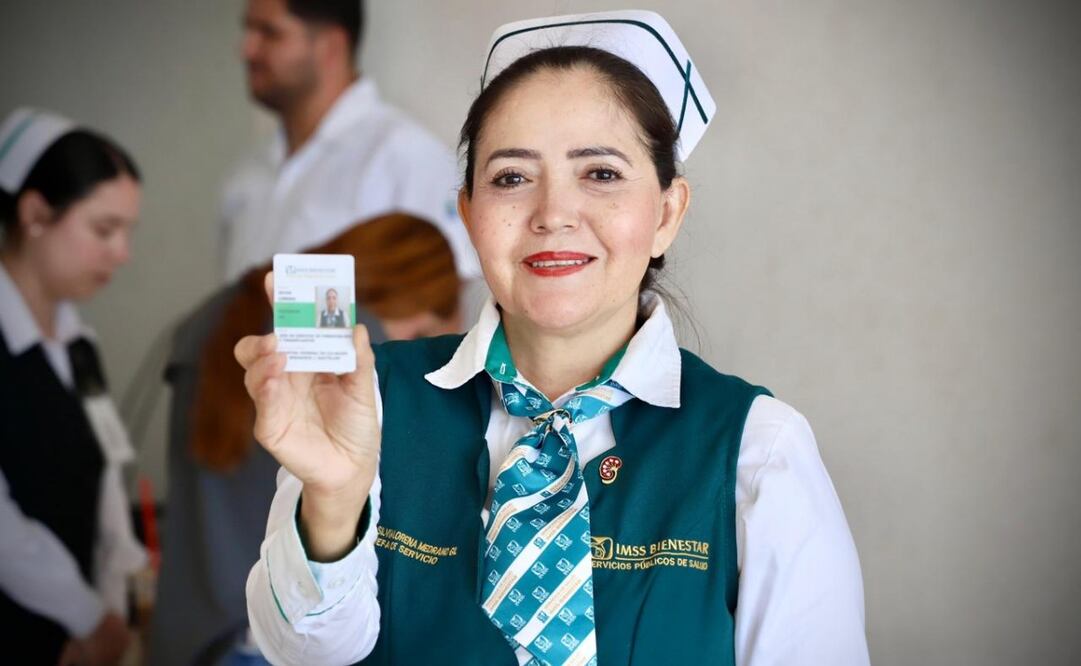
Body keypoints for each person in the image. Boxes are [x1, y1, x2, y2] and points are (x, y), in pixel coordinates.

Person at [236, 10, 870, 666]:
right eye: (511, 178)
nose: (552, 215)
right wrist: (335, 499)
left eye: (600, 174)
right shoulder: (371, 399)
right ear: (467, 215)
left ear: (667, 213)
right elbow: (302, 654)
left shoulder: (758, 452)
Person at [148, 212, 460, 666]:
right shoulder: (347, 343)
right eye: (420, 334)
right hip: (279, 631)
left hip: (194, 630)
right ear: (404, 295)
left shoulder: (213, 314)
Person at [0, 108, 146, 665]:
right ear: (36, 213)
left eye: (128, 232)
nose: (122, 254)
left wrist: (119, 593)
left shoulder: (80, 344)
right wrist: (85, 614)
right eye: (104, 230)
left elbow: (106, 473)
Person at [222, 0, 479, 285]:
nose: (246, 50)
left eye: (270, 33)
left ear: (330, 46)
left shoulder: (407, 159)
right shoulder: (248, 172)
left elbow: (449, 299)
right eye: (248, 30)